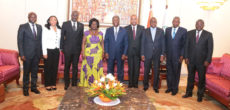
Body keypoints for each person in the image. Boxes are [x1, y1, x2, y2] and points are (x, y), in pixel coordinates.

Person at [182, 19, 213, 102]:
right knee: (190, 77)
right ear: (195, 24)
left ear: (203, 25)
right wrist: (186, 57)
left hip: (202, 62)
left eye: (201, 24)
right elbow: (186, 46)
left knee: (201, 79)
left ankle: (200, 95)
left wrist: (208, 60)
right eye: (197, 24)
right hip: (191, 60)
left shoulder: (208, 35)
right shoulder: (189, 33)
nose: (199, 25)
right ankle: (189, 93)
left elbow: (210, 49)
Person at [17, 12, 42, 96]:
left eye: (35, 17)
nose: (33, 18)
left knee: (35, 72)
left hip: (37, 54)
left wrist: (40, 53)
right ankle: (25, 89)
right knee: (26, 73)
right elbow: (20, 41)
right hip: (27, 54)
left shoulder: (39, 27)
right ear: (28, 17)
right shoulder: (23, 26)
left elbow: (40, 41)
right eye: (31, 17)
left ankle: (34, 87)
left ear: (36, 18)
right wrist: (21, 54)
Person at [60, 11, 84, 90]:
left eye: (76, 15)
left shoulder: (81, 25)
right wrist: (61, 48)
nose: (75, 16)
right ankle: (66, 84)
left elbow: (81, 38)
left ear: (78, 16)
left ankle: (74, 84)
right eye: (73, 15)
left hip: (76, 50)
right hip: (67, 50)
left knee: (75, 67)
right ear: (71, 15)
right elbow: (62, 36)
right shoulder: (65, 24)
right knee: (67, 67)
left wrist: (80, 49)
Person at [141, 17, 165, 93]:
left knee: (156, 71)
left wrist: (162, 54)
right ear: (150, 22)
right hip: (147, 53)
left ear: (156, 22)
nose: (153, 23)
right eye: (152, 21)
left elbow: (163, 43)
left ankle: (155, 86)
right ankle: (145, 85)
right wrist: (142, 54)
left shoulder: (161, 31)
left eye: (155, 21)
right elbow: (142, 43)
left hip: (157, 54)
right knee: (146, 71)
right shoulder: (145, 31)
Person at [165, 17, 187, 95]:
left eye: (177, 21)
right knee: (169, 72)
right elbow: (165, 42)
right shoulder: (167, 30)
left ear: (179, 23)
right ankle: (169, 87)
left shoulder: (183, 31)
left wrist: (182, 55)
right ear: (172, 22)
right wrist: (164, 53)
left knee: (176, 73)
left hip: (178, 57)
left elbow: (184, 45)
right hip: (169, 56)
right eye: (174, 21)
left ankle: (175, 89)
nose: (175, 23)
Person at [79, 18, 104, 87]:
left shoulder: (101, 33)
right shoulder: (86, 33)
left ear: (97, 25)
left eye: (95, 24)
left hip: (98, 54)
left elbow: (102, 43)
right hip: (88, 54)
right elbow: (83, 43)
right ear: (90, 25)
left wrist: (103, 52)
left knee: (97, 68)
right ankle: (87, 84)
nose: (94, 25)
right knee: (88, 69)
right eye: (92, 24)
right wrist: (83, 53)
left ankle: (97, 84)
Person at [104, 15, 128, 82]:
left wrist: (124, 53)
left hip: (120, 54)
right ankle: (109, 84)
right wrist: (106, 52)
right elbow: (106, 42)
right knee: (110, 70)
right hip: (110, 53)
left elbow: (126, 43)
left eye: (117, 20)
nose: (115, 21)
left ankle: (120, 84)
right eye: (114, 20)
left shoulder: (124, 30)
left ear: (119, 21)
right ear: (112, 21)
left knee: (120, 70)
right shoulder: (108, 30)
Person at [125, 15, 145, 88]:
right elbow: (125, 41)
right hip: (129, 52)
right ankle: (130, 84)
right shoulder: (126, 28)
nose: (133, 20)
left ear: (137, 20)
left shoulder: (142, 28)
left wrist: (142, 53)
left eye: (135, 19)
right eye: (132, 19)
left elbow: (143, 41)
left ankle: (135, 84)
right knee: (130, 68)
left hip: (138, 52)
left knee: (136, 69)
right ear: (130, 20)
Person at [42, 16, 61, 91]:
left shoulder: (59, 29)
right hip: (48, 50)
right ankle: (47, 84)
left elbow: (60, 40)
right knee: (48, 68)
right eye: (51, 20)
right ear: (49, 21)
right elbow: (43, 41)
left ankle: (53, 83)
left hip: (56, 50)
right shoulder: (46, 29)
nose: (53, 21)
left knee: (54, 68)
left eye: (55, 19)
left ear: (57, 21)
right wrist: (44, 52)